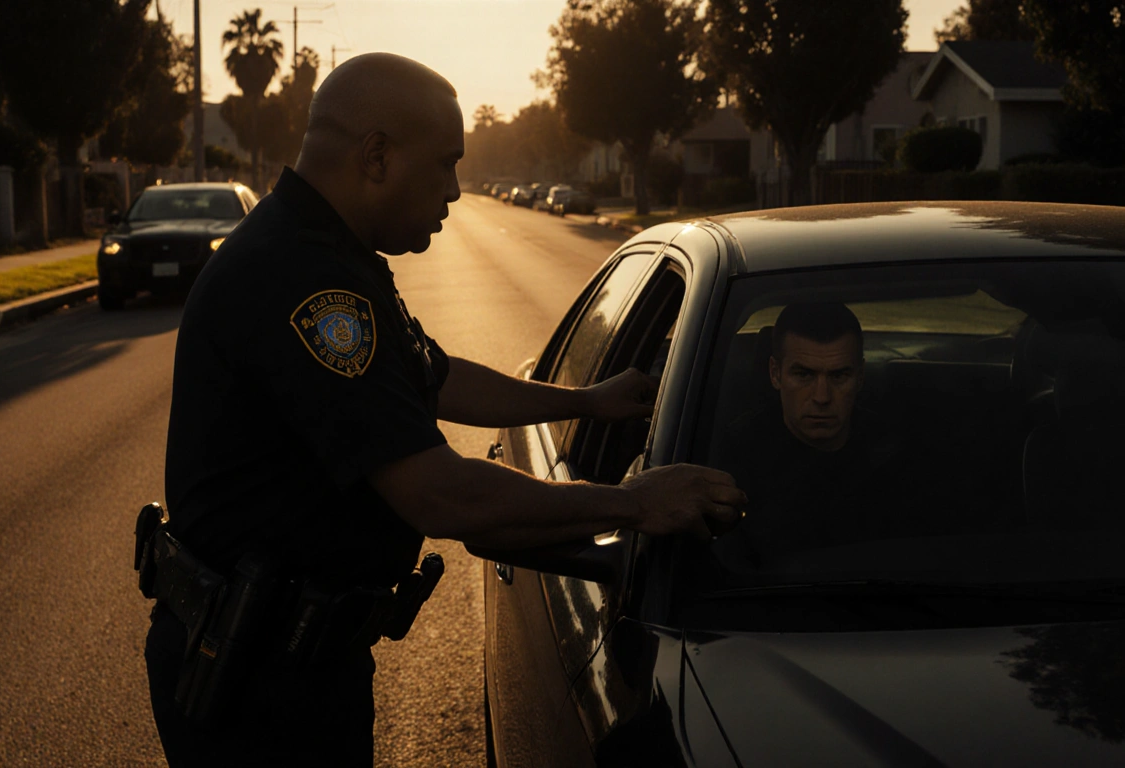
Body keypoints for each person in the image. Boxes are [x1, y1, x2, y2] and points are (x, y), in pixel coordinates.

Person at [147, 53, 744, 767]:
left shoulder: (333, 257)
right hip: (259, 685)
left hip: (290, 660)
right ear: (376, 156)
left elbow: (436, 379)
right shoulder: (299, 280)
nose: (457, 190)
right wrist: (630, 503)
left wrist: (585, 399)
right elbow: (439, 495)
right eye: (445, 165)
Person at [712, 302, 906, 571]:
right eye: (803, 374)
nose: (822, 397)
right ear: (775, 374)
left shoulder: (896, 453)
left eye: (839, 376)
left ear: (860, 377)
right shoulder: (731, 461)